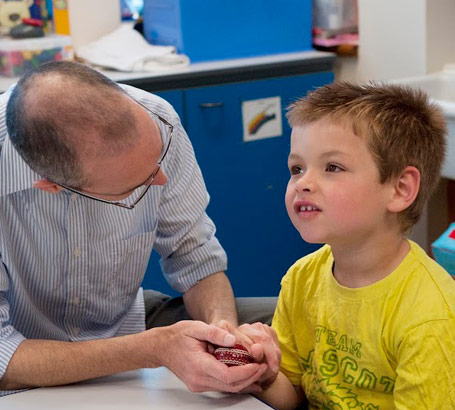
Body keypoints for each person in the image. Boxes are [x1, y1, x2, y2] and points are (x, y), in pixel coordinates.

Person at [0, 61, 280, 396]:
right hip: (28, 357)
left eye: (157, 161)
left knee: (300, 321)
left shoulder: (159, 119)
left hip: (129, 322)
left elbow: (193, 255)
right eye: (138, 186)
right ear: (51, 186)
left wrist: (226, 338)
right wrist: (154, 348)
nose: (159, 179)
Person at [256, 82, 455, 409]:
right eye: (297, 168)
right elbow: (291, 394)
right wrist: (262, 373)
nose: (303, 183)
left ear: (399, 189)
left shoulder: (429, 316)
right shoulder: (302, 279)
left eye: (332, 167)